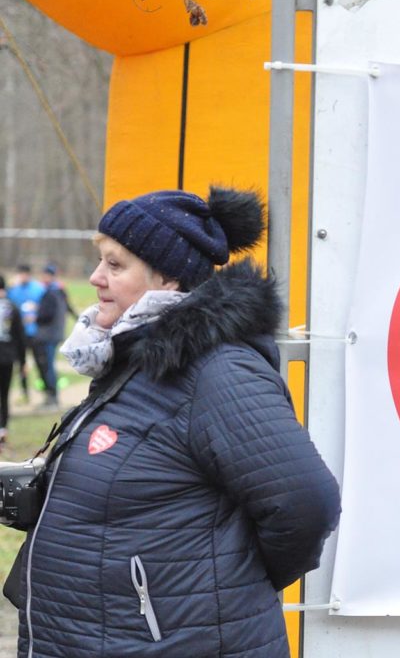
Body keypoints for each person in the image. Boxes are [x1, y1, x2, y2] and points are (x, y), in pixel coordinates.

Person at [12, 187, 341, 657]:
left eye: (115, 265)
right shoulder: (135, 360)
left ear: (167, 278)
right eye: (100, 261)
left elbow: (305, 503)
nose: (96, 277)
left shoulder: (218, 372)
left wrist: (231, 580)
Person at [34, 263, 76, 409]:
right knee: (49, 365)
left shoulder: (50, 293)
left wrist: (34, 316)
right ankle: (52, 396)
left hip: (48, 336)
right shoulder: (60, 291)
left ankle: (52, 397)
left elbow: (45, 316)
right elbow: (69, 308)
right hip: (56, 334)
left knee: (48, 366)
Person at [6, 264, 44, 404]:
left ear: (29, 275)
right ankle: (24, 392)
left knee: (40, 362)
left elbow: (45, 307)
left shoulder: (38, 289)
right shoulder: (13, 290)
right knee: (20, 363)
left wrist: (36, 315)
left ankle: (47, 392)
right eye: (20, 274)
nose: (22, 277)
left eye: (24, 274)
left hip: (34, 332)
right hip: (18, 335)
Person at [0, 275, 27, 444]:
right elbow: (20, 337)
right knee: (4, 394)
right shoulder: (13, 307)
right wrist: (23, 361)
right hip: (7, 358)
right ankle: (3, 429)